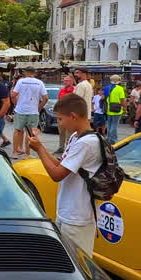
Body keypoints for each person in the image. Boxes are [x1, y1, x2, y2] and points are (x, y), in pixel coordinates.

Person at [26, 93, 101, 256]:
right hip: (67, 211)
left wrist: (39, 150)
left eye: (60, 119)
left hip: (78, 216)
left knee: (77, 264)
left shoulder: (87, 143)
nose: (59, 123)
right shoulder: (76, 137)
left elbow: (57, 174)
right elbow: (61, 164)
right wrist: (41, 147)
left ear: (73, 116)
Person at [10, 68, 47, 156]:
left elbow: (13, 95)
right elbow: (45, 98)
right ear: (34, 73)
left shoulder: (21, 82)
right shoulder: (39, 83)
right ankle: (27, 153)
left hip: (20, 110)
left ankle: (15, 151)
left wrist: (16, 104)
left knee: (17, 130)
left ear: (25, 73)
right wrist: (38, 108)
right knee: (30, 133)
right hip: (33, 111)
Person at [105, 75, 127, 144]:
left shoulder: (106, 88)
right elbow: (122, 100)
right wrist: (125, 109)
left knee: (109, 124)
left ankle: (109, 138)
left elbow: (103, 97)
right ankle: (113, 139)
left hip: (108, 109)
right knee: (114, 125)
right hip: (117, 110)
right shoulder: (120, 88)